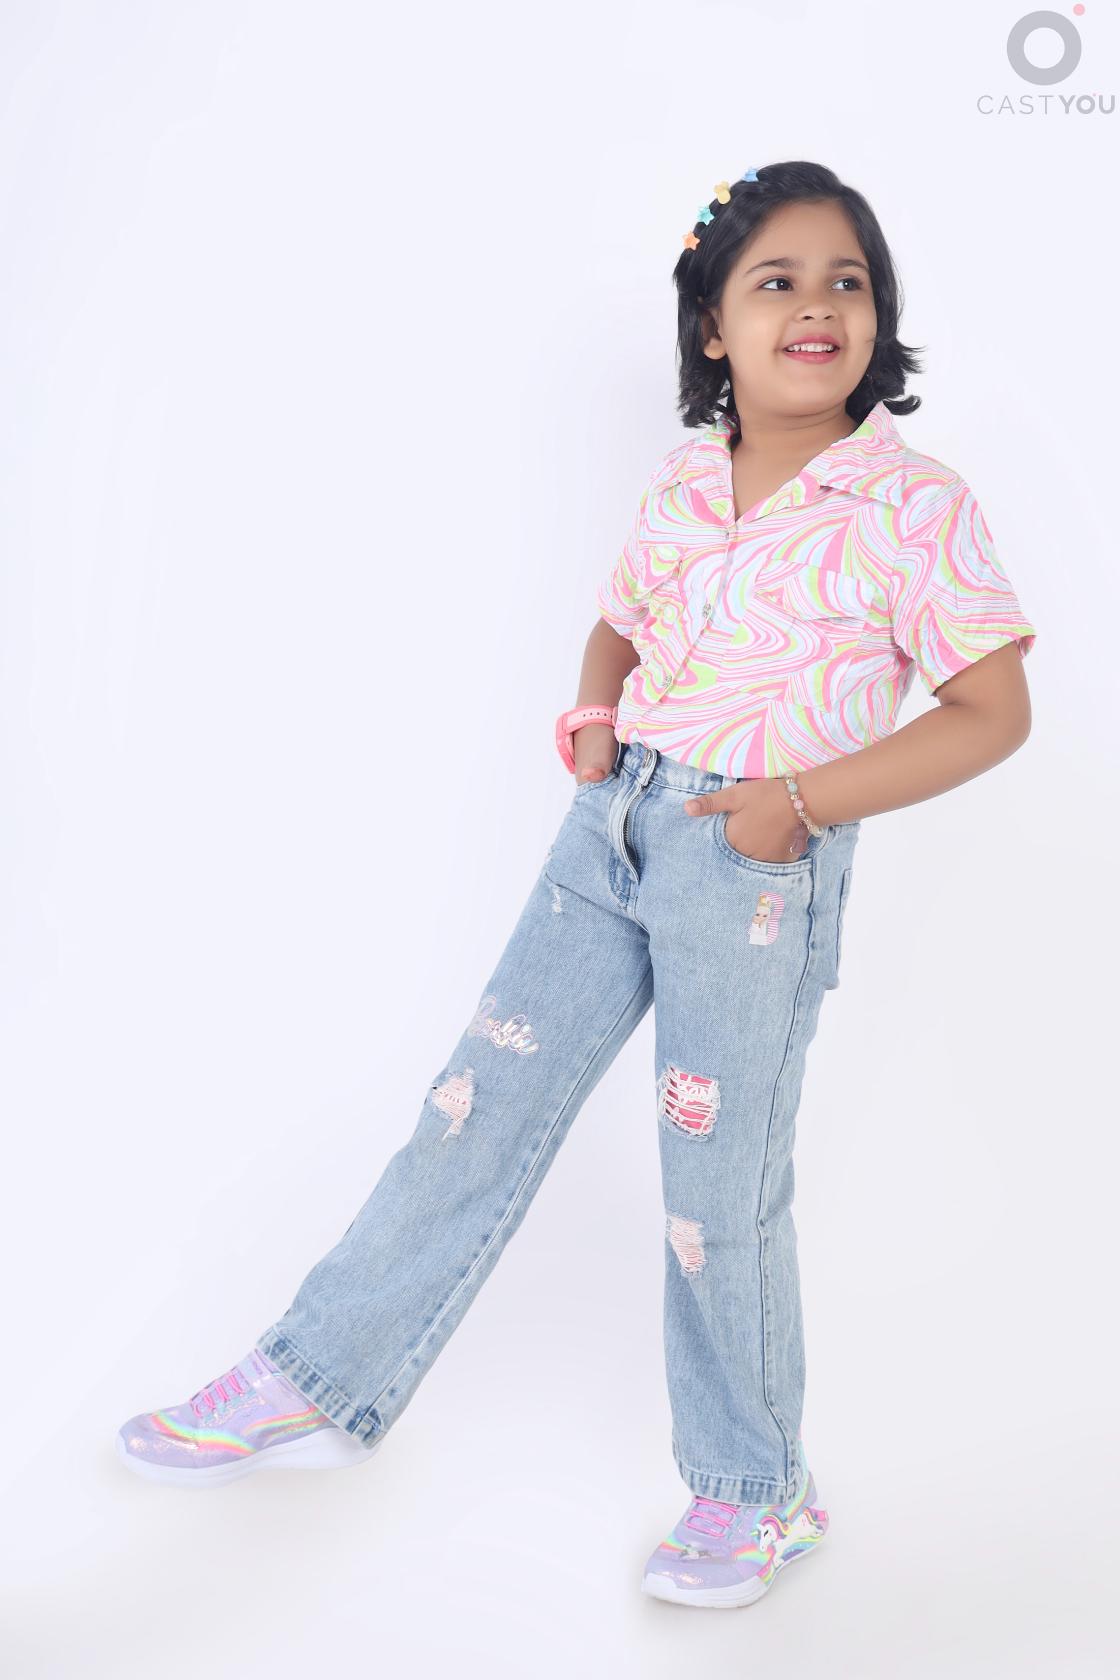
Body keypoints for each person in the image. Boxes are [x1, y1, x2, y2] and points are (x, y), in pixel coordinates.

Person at [116, 160, 1038, 1612]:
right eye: (776, 281)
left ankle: (757, 1493)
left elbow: (993, 713)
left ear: (879, 316)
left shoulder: (915, 507)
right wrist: (595, 712)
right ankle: (316, 1373)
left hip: (754, 864)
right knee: (471, 1111)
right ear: (714, 327)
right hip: (610, 833)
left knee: (715, 1192)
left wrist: (794, 806)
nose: (816, 306)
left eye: (846, 280)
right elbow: (619, 623)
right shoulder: (682, 480)